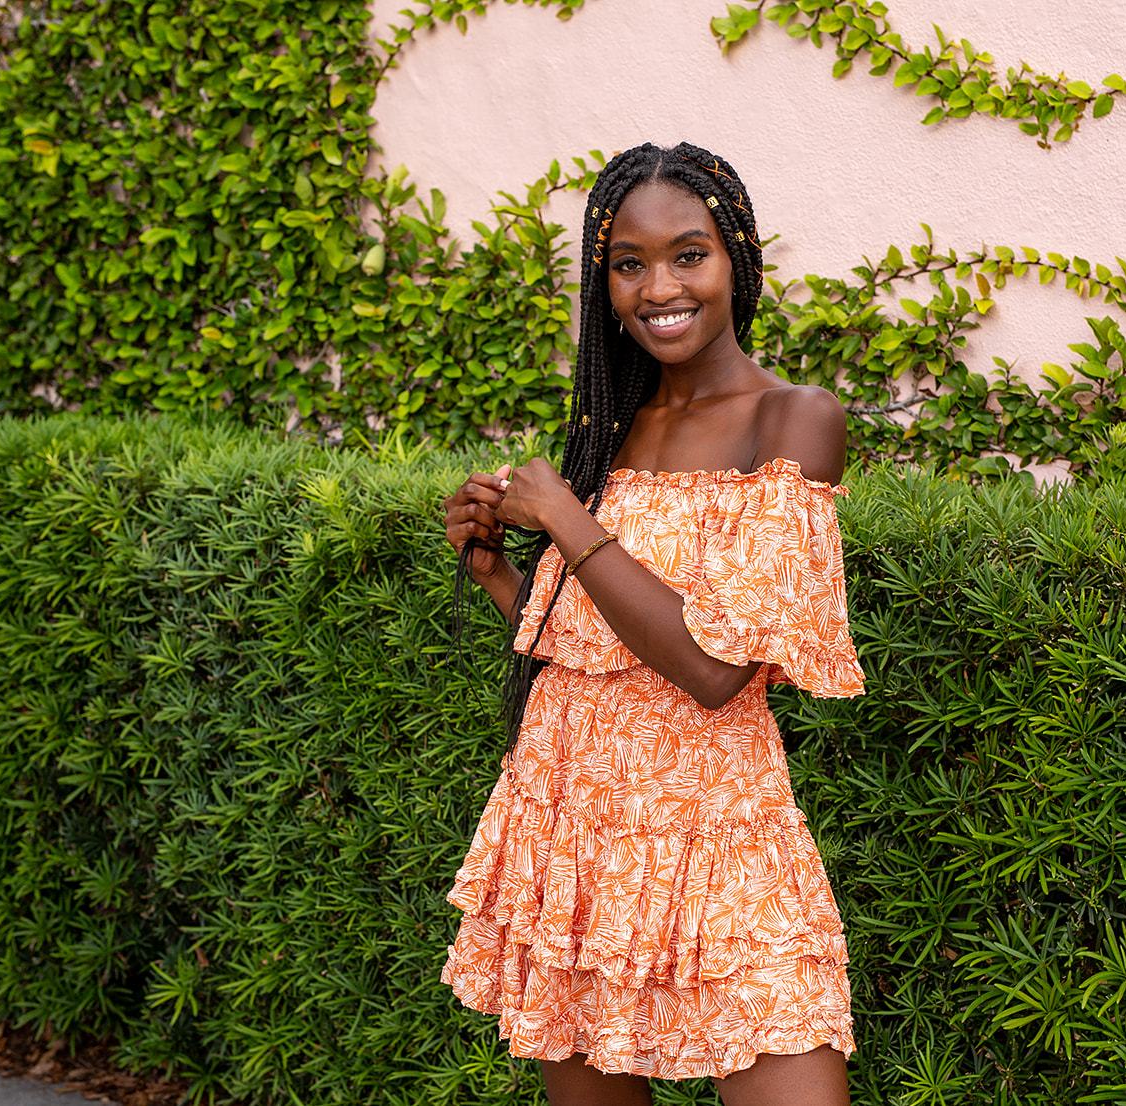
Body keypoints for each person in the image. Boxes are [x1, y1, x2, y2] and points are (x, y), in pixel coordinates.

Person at [439, 141, 866, 1106]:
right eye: (628, 264)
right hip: (574, 823)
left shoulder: (792, 419)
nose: (658, 287)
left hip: (718, 834)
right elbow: (601, 652)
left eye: (689, 254)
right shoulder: (613, 425)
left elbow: (716, 672)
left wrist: (563, 517)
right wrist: (501, 574)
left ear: (737, 261)